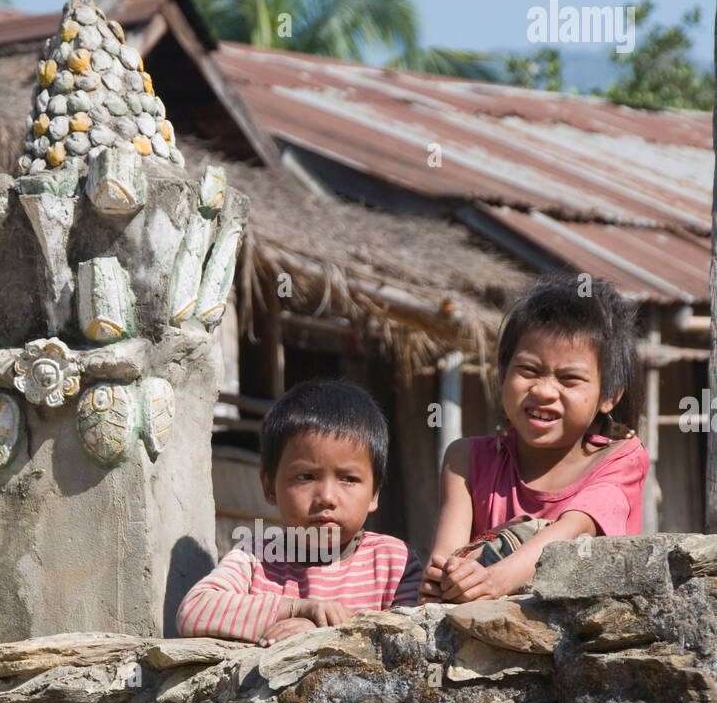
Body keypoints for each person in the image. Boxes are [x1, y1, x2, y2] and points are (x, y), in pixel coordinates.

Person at [419, 274, 649, 605]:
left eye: (569, 379)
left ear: (609, 396)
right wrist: (443, 582)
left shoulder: (622, 459)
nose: (543, 391)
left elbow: (572, 530)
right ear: (503, 373)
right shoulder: (465, 461)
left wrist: (493, 581)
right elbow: (446, 559)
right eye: (528, 370)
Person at [176, 379, 423, 644]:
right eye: (306, 476)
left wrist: (318, 632)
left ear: (374, 494)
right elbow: (194, 612)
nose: (327, 497)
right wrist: (297, 609)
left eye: (349, 479)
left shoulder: (394, 563)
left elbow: (412, 642)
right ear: (269, 488)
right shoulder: (254, 557)